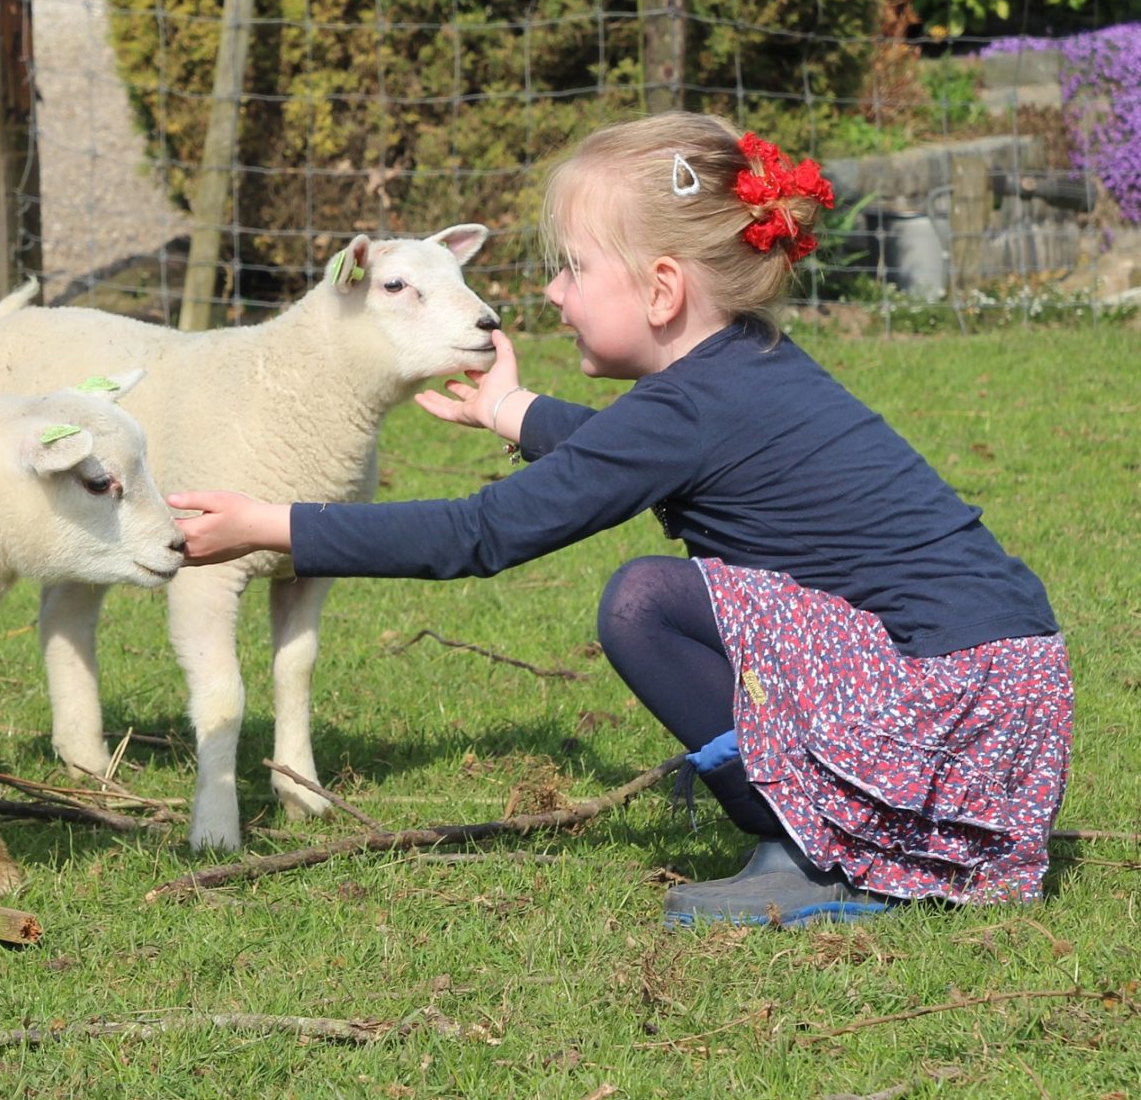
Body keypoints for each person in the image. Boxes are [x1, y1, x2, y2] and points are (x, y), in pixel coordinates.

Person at [169, 111, 1072, 928]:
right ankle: (845, 831)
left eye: (573, 267)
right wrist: (509, 410)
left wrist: (277, 523)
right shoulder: (743, 367)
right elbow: (621, 453)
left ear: (662, 290)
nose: (553, 292)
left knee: (646, 602)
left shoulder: (688, 407)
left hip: (949, 702)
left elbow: (479, 532)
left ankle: (818, 851)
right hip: (1002, 687)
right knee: (695, 595)